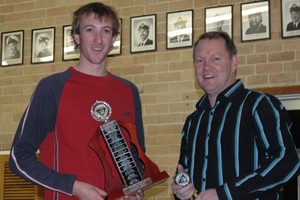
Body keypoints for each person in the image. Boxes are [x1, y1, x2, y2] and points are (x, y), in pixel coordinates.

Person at [9, 2, 145, 200]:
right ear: (76, 36)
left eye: (106, 31)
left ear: (114, 38)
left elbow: (137, 157)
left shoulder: (128, 91)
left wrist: (134, 187)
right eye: (90, 30)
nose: (98, 39)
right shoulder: (52, 88)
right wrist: (72, 187)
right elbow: (19, 157)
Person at [171, 31, 300, 200]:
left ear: (234, 63)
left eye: (215, 59)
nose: (206, 67)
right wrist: (180, 188)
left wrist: (224, 193)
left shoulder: (259, 105)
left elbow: (287, 162)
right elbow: (184, 172)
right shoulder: (192, 122)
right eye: (199, 60)